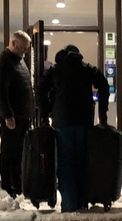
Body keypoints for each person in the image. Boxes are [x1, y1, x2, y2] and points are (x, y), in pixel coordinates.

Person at [37, 44, 110, 212]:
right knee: (82, 161)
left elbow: (40, 89)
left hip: (62, 123)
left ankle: (69, 204)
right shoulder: (87, 69)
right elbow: (104, 85)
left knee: (65, 163)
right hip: (84, 123)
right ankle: (81, 201)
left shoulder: (55, 70)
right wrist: (102, 114)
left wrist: (46, 113)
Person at [0, 30, 34, 197]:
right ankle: (8, 187)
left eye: (27, 49)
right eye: (22, 47)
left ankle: (18, 185)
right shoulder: (3, 62)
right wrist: (8, 115)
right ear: (13, 43)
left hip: (22, 115)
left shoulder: (18, 61)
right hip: (12, 116)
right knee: (9, 152)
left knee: (18, 153)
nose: (25, 51)